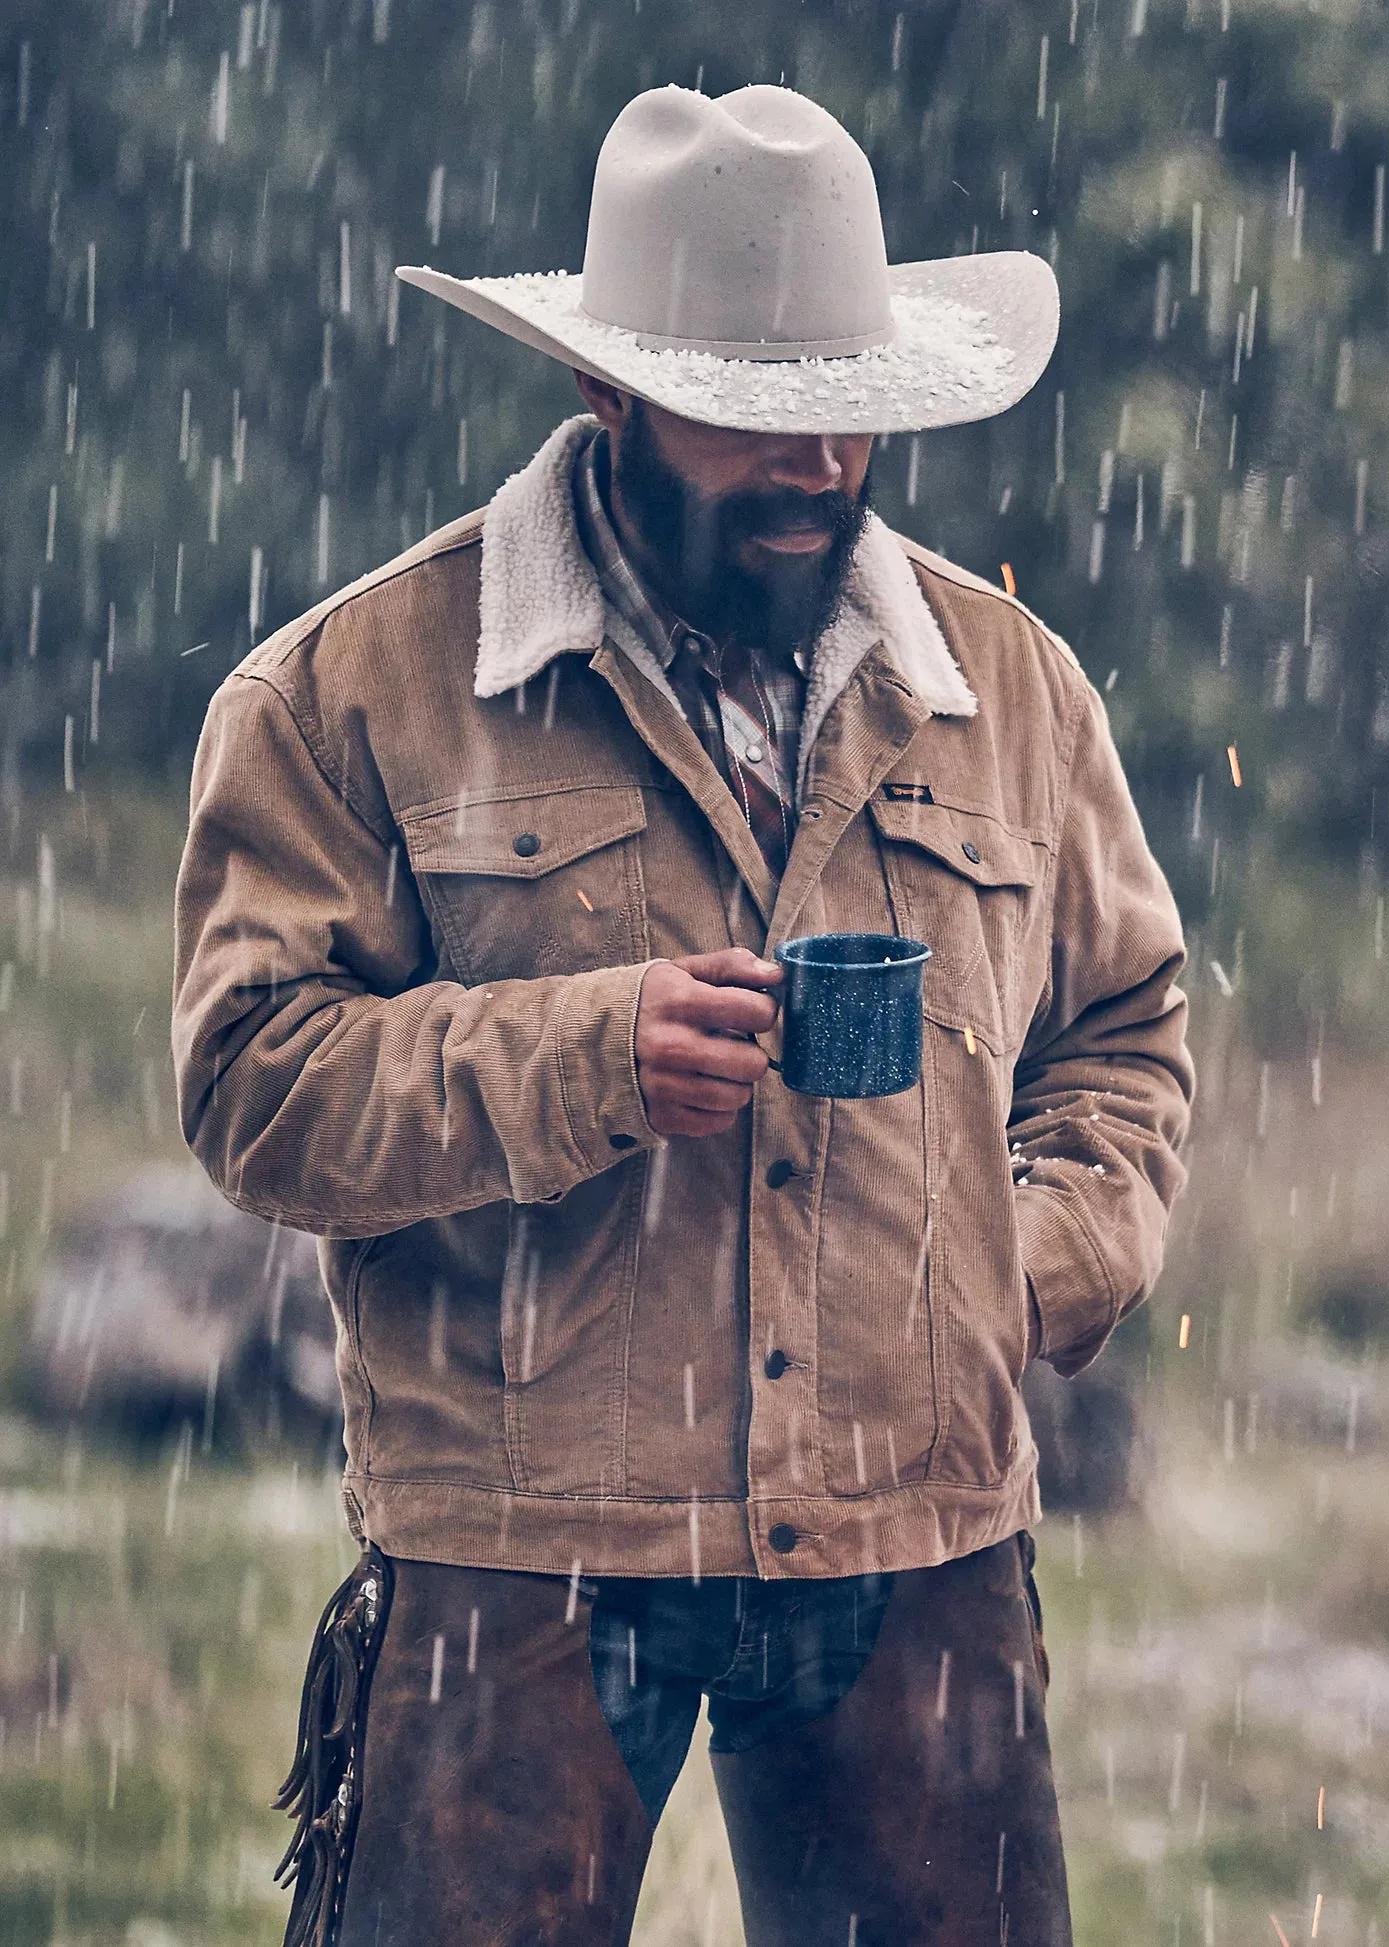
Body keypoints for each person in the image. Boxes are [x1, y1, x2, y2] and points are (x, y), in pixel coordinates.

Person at [172, 82, 1194, 1947]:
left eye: (847, 412)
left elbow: (1128, 1029)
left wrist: (1017, 1264)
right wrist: (578, 1057)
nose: (816, 469)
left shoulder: (1015, 687)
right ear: (609, 396)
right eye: (755, 418)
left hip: (921, 1527)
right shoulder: (355, 685)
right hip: (518, 1536)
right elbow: (252, 1083)